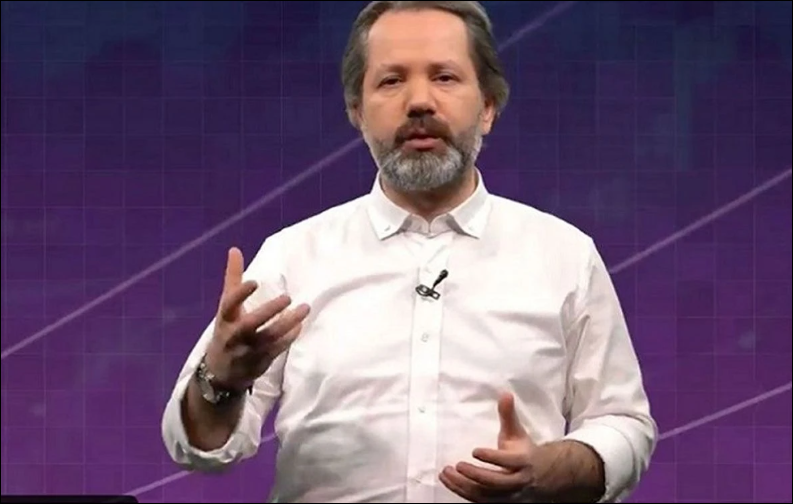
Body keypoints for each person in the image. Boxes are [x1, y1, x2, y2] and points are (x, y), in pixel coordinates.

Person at [161, 1, 658, 502]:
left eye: (444, 77)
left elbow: (624, 423)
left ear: (488, 106)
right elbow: (196, 448)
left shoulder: (565, 256)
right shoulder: (293, 256)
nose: (420, 101)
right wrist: (221, 383)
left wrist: (552, 469)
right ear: (357, 111)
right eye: (391, 80)